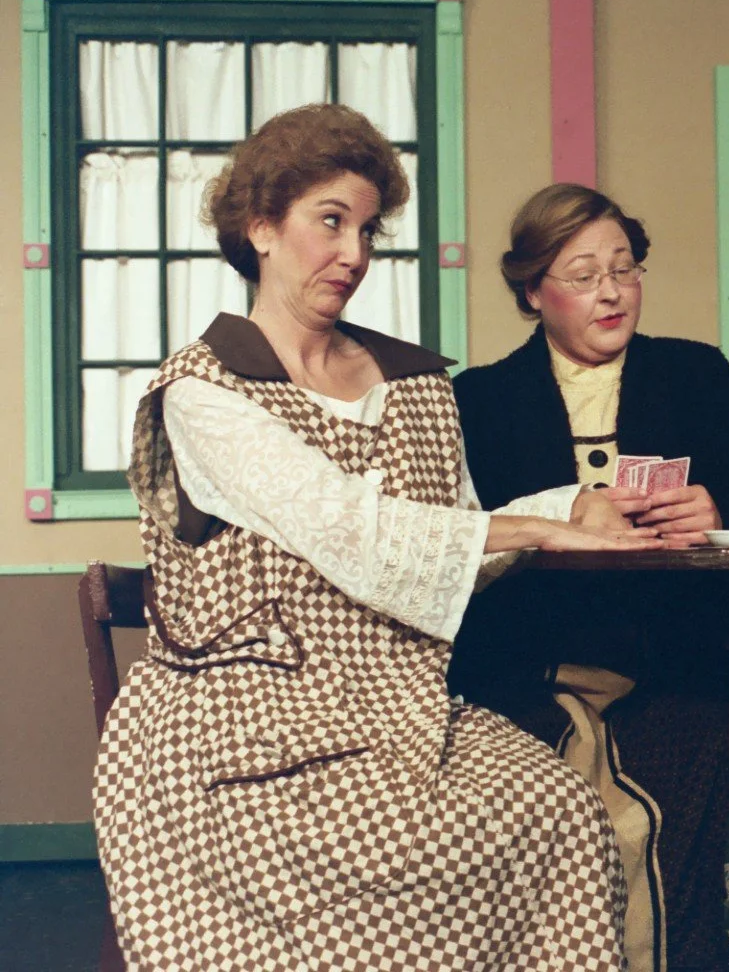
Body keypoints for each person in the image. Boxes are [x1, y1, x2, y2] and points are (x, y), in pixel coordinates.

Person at [94, 104, 658, 971]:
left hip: (404, 710)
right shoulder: (205, 392)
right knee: (377, 859)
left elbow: (455, 538)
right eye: (330, 222)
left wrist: (572, 507)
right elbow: (350, 529)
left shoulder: (414, 385)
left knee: (564, 813)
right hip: (246, 724)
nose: (354, 254)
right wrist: (541, 525)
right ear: (261, 228)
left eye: (367, 229)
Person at [449, 183, 729, 972]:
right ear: (533, 291)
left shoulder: (695, 374)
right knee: (534, 796)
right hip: (530, 669)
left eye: (624, 268)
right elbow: (461, 545)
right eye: (583, 274)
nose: (612, 291)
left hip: (676, 666)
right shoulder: (481, 400)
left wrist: (718, 506)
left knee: (661, 798)